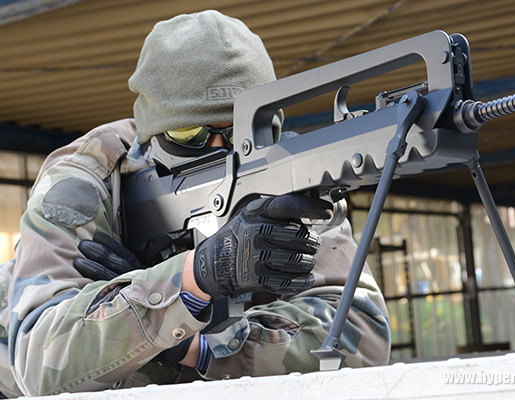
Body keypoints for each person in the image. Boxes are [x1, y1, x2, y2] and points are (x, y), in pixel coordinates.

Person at [0, 10, 390, 398]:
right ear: (152, 132)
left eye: (239, 134)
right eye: (190, 134)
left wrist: (191, 344)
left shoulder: (287, 175)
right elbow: (38, 363)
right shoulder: (86, 176)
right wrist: (194, 276)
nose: (218, 150)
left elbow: (362, 335)